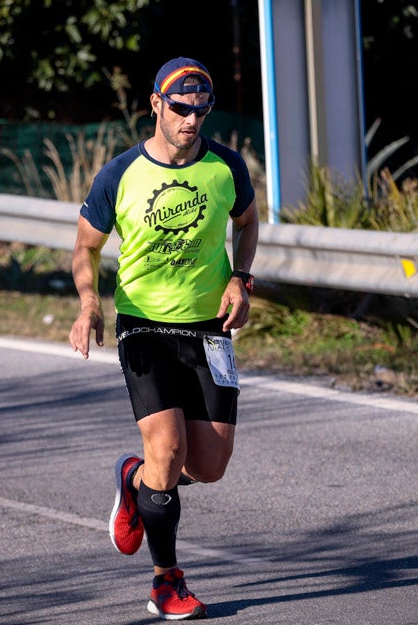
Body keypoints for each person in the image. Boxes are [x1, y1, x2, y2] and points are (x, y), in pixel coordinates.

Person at [68, 56, 259, 621]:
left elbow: (247, 223)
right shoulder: (120, 174)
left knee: (208, 466)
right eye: (180, 108)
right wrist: (88, 305)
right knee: (168, 450)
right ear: (155, 103)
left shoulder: (226, 167)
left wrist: (240, 279)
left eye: (201, 110)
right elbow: (86, 246)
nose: (191, 119)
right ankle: (166, 582)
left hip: (209, 330)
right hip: (144, 326)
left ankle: (136, 482)